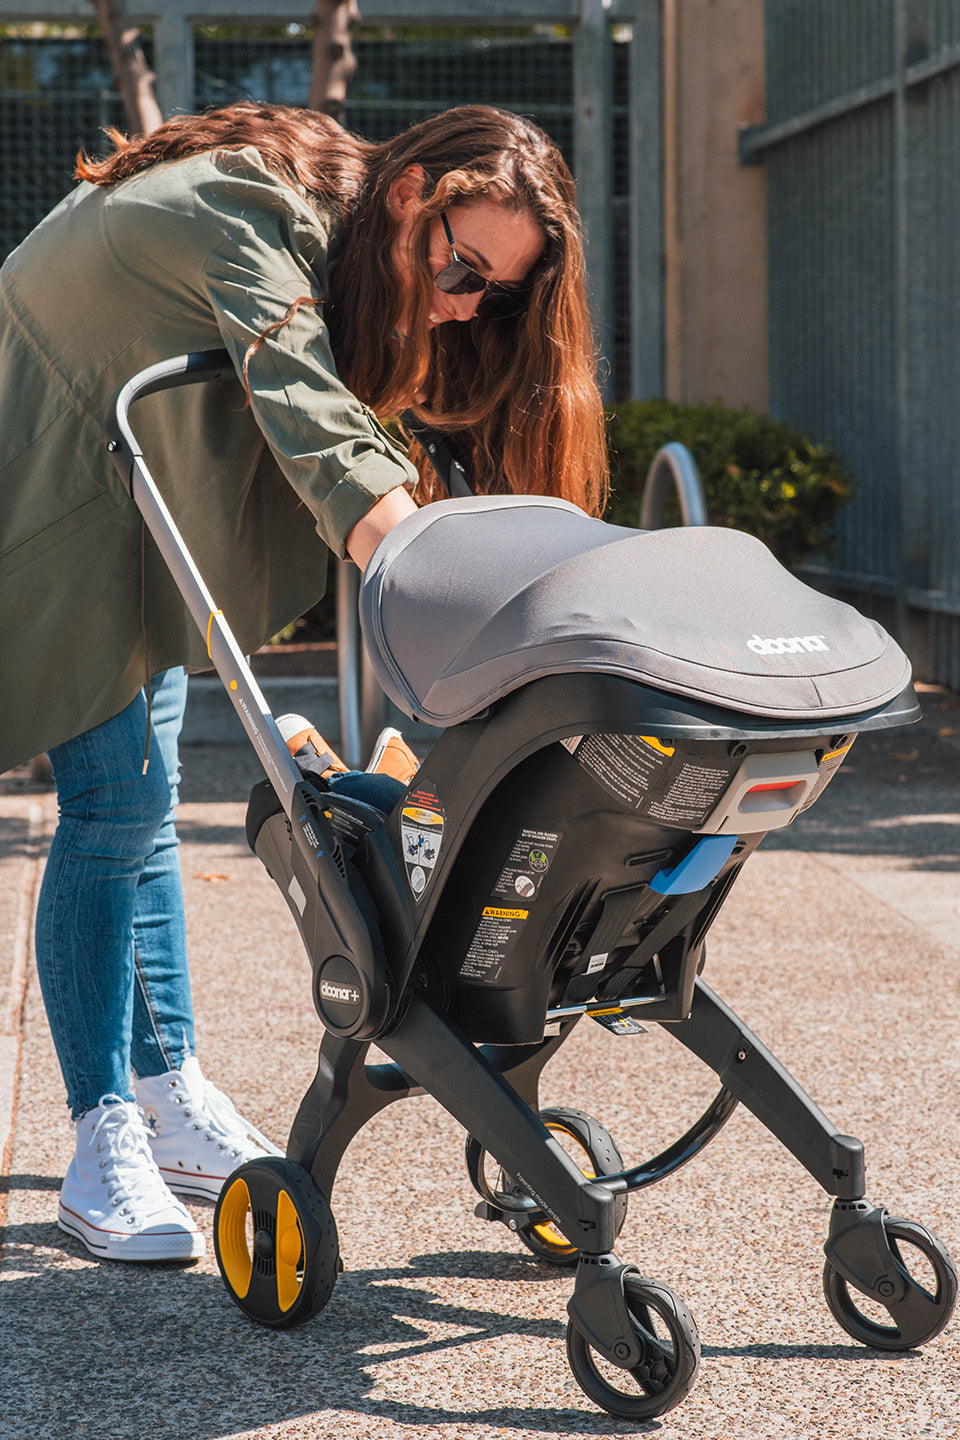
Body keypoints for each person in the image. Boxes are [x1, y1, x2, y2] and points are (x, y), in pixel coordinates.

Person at [0, 101, 608, 1263]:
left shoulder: (333, 225)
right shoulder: (249, 207)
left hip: (131, 489)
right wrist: (469, 605)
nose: (462, 304)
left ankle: (167, 1088)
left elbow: (345, 408)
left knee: (141, 805)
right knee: (113, 807)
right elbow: (315, 416)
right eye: (460, 267)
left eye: (493, 293)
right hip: (45, 480)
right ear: (407, 194)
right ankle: (100, 1134)